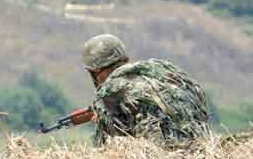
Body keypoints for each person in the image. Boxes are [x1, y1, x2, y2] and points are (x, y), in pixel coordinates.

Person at [82, 34, 210, 146]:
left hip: (162, 157)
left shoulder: (110, 91)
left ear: (96, 70)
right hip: (201, 144)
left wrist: (102, 119)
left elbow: (108, 146)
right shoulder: (157, 71)